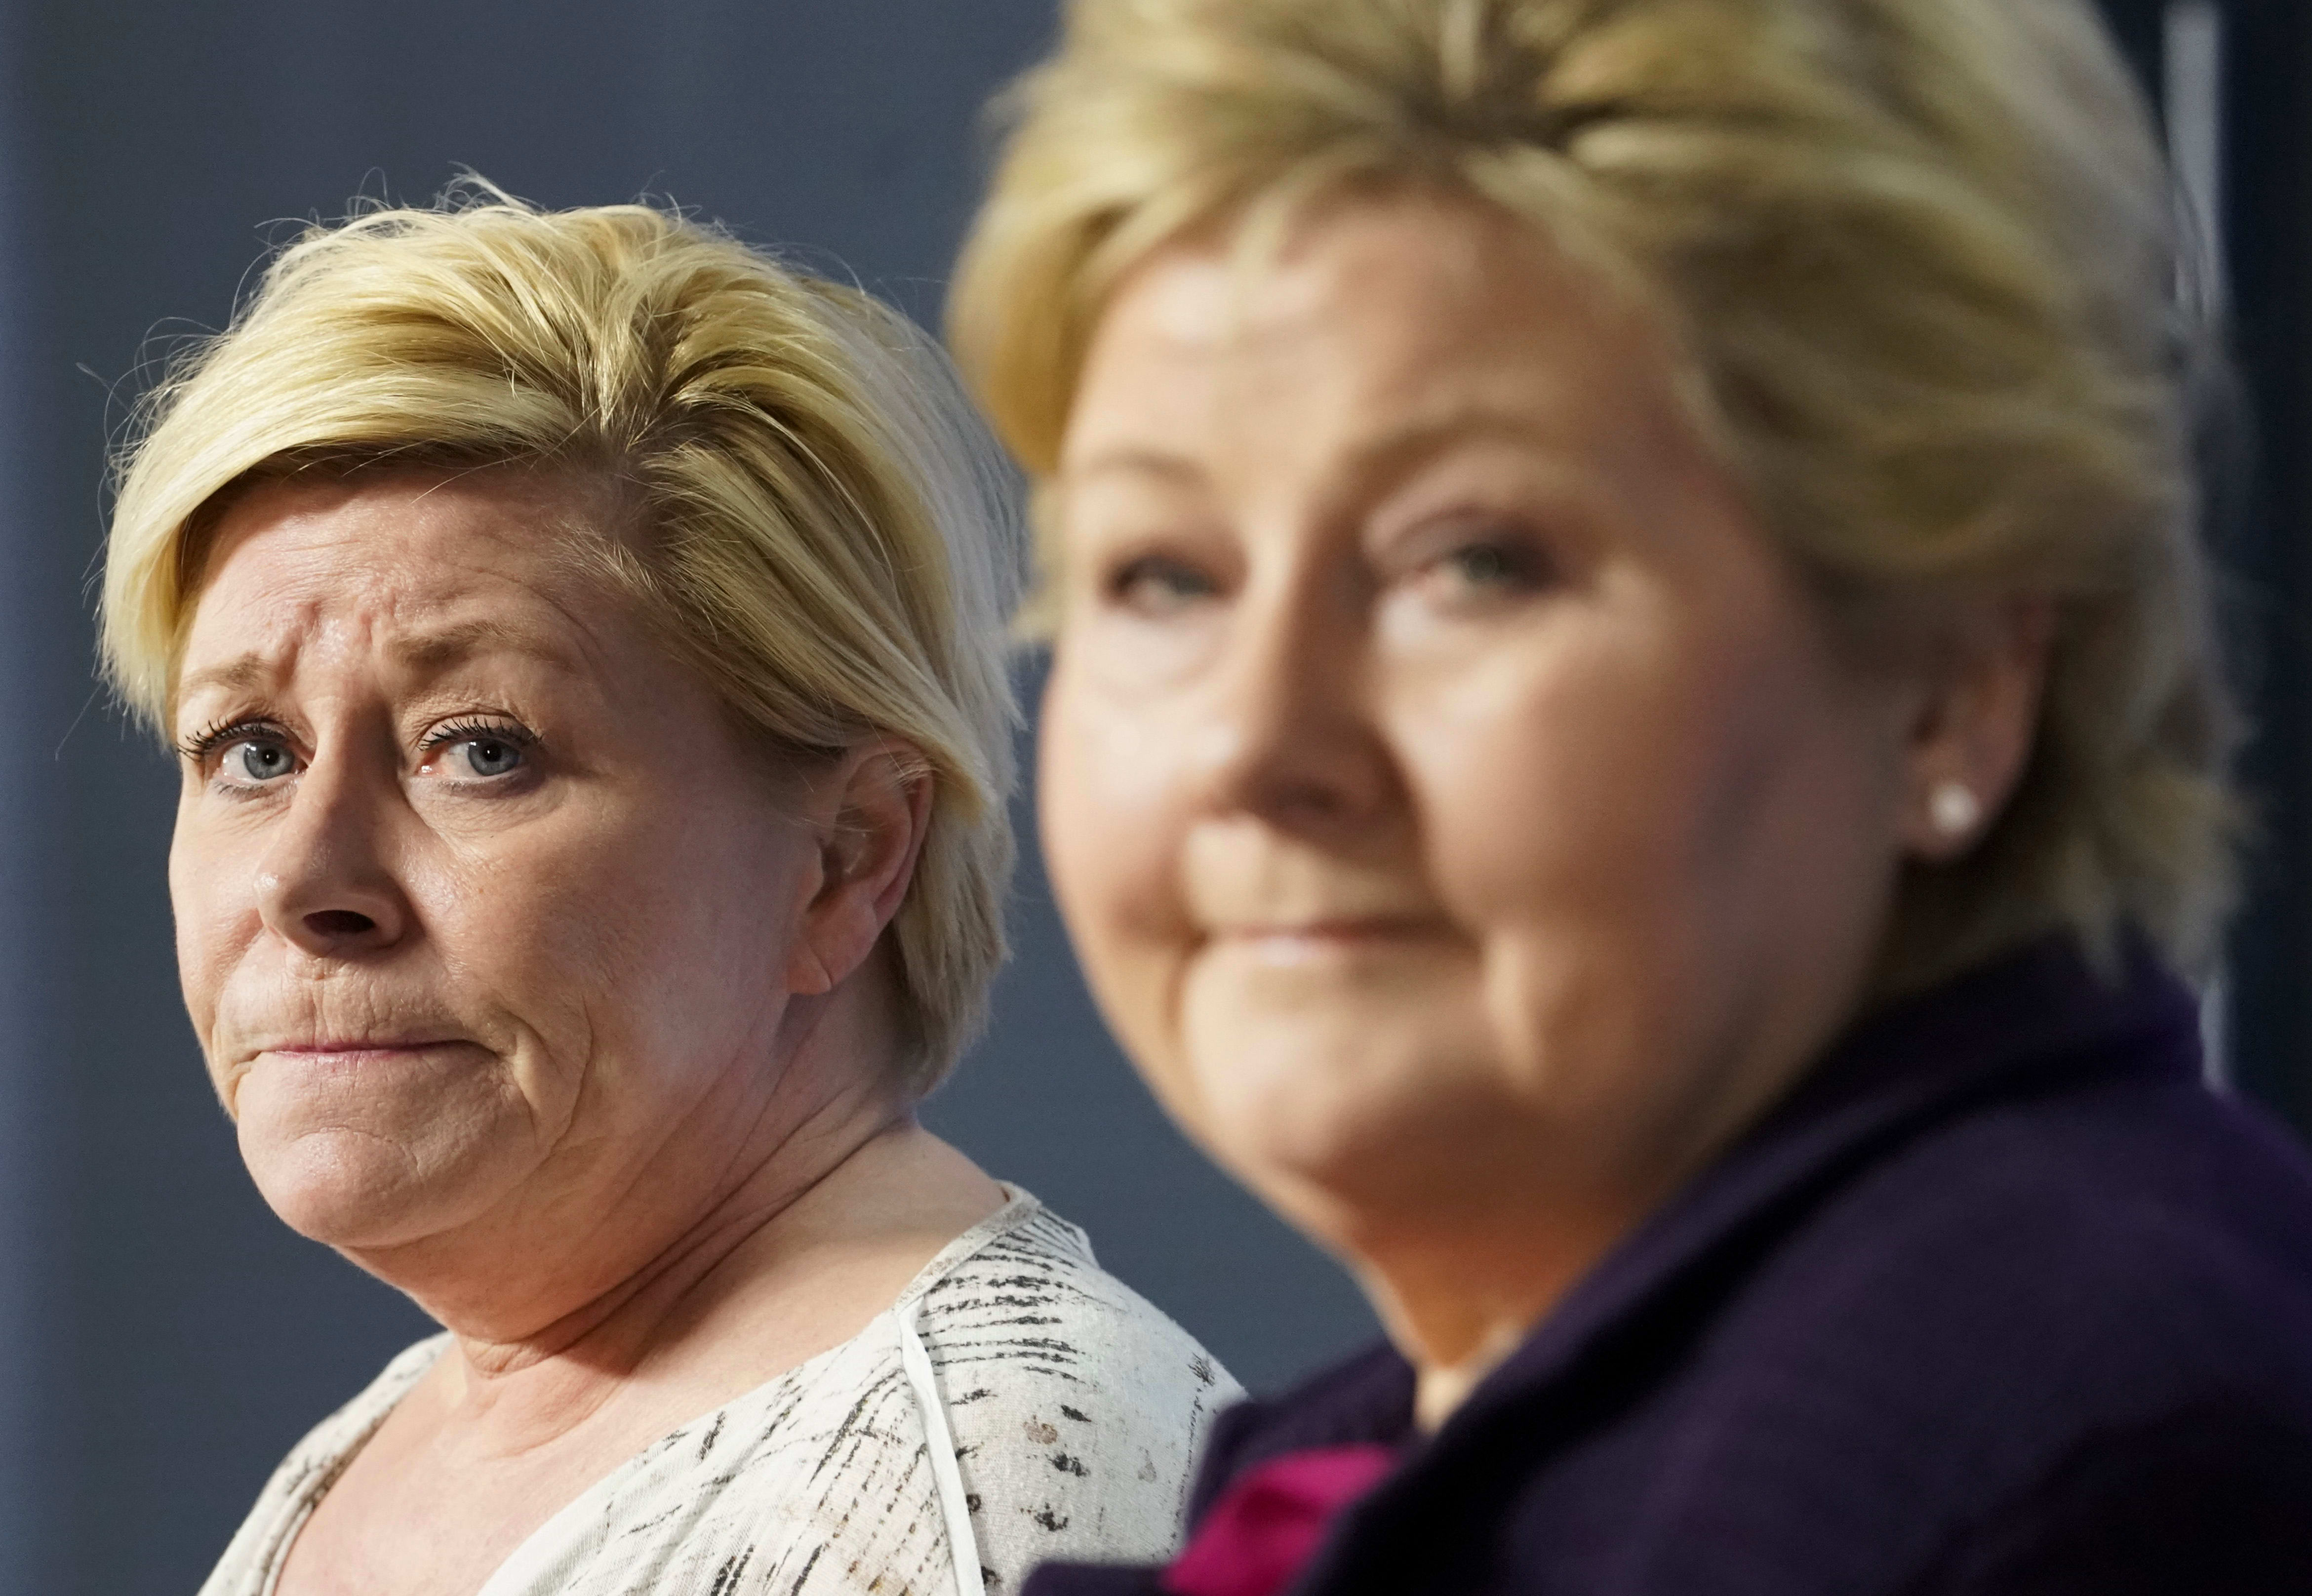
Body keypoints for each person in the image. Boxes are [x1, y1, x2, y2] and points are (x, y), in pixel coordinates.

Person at [945, 0, 2312, 1591]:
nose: (1251, 745)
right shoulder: (1438, 1445)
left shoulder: (2078, 1470)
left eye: (1476, 562)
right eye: (1165, 576)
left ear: (1955, 687)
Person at [101, 190, 1240, 1596]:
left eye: (482, 749)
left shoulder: (981, 1493)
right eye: (251, 752)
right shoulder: (385, 1444)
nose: (303, 880)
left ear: (847, 858)